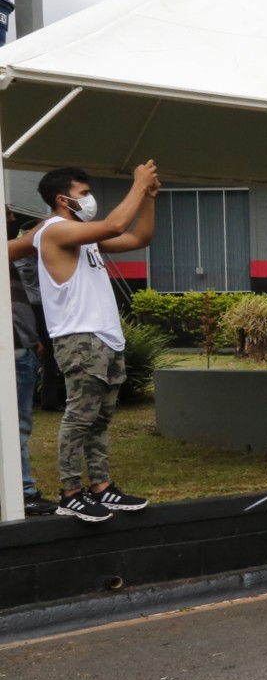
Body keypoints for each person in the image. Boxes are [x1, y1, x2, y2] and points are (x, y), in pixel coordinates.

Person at [29, 164, 164, 521]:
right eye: (83, 193)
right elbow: (117, 225)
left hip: (105, 337)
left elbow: (139, 238)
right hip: (80, 338)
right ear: (62, 199)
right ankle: (70, 492)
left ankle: (101, 488)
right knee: (79, 417)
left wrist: (148, 198)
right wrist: (137, 184)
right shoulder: (54, 231)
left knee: (100, 420)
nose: (90, 199)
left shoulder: (84, 236)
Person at [6, 209, 49, 515]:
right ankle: (23, 492)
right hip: (12, 352)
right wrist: (57, 218)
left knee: (17, 425)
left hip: (21, 347)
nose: (9, 218)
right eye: (5, 213)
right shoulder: (9, 249)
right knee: (16, 426)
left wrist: (30, 336)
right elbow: (31, 241)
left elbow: (24, 299)